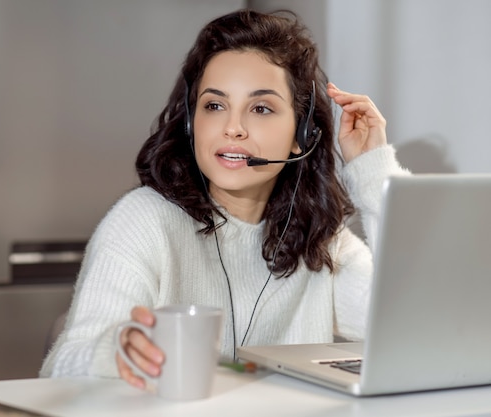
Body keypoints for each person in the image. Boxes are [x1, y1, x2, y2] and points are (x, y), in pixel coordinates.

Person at [40, 8, 408, 389]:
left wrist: (372, 170)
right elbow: (62, 364)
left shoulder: (321, 242)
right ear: (190, 122)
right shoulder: (143, 220)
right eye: (214, 106)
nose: (232, 128)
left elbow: (414, 331)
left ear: (301, 134)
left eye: (261, 108)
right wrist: (113, 353)